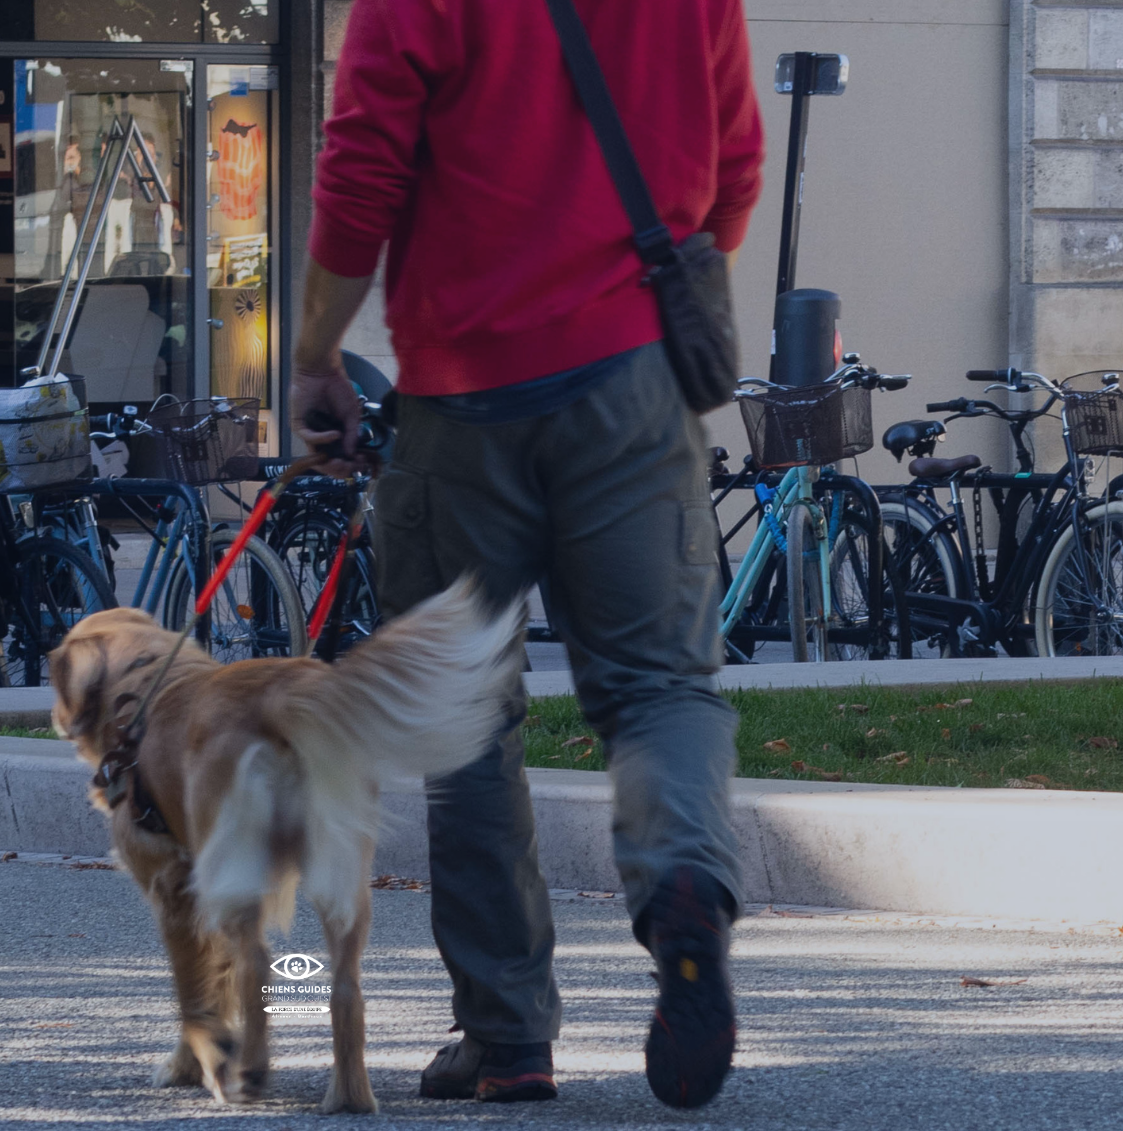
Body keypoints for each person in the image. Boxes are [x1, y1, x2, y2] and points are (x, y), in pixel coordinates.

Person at [292, 0, 762, 1110]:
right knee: (660, 688)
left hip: (463, 397)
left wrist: (315, 354)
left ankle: (505, 1036)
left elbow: (361, 170)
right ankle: (683, 882)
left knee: (465, 720)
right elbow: (734, 167)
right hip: (633, 386)